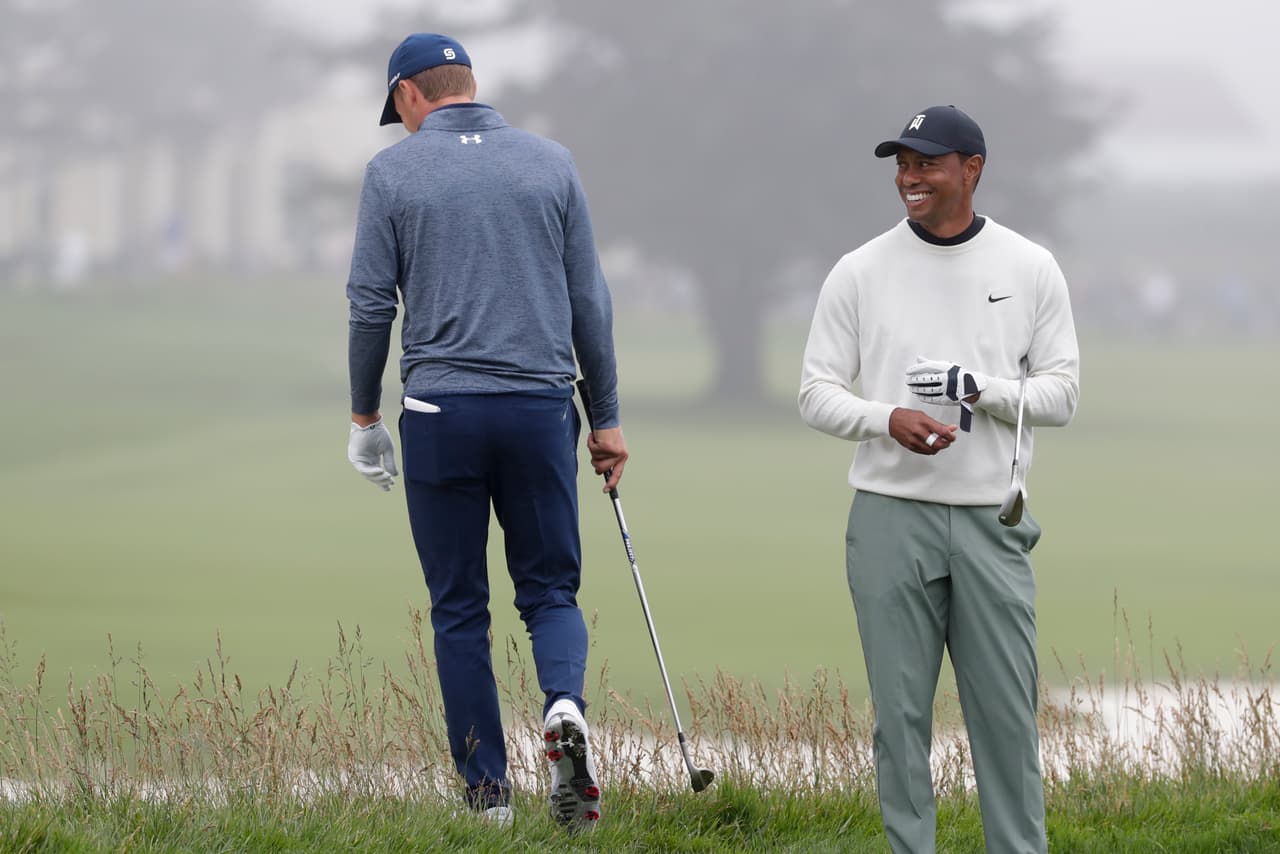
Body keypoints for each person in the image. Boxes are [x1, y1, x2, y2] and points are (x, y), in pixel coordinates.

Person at [344, 32, 628, 830]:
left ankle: (486, 801)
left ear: (408, 95)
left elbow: (371, 307)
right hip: (539, 410)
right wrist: (604, 418)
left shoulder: (392, 172)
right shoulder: (551, 162)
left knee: (460, 606)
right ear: (468, 83)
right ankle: (564, 707)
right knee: (549, 590)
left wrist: (365, 415)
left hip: (440, 414)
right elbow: (591, 305)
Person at [798, 105, 1080, 853]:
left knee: (1007, 717)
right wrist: (884, 417)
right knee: (900, 719)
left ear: (971, 169)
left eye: (926, 164)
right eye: (902, 165)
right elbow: (816, 392)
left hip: (993, 519)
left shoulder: (1029, 267)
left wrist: (978, 391)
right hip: (890, 515)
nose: (909, 178)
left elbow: (1060, 396)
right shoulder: (859, 271)